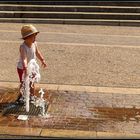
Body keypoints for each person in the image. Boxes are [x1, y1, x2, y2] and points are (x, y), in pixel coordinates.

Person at [16, 24, 47, 103]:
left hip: (32, 67)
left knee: (32, 82)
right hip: (22, 68)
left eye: (35, 36)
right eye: (33, 36)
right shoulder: (23, 47)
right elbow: (24, 58)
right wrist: (25, 67)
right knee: (24, 83)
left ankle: (32, 96)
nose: (35, 38)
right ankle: (21, 96)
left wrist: (42, 60)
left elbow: (37, 52)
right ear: (27, 38)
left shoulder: (34, 43)